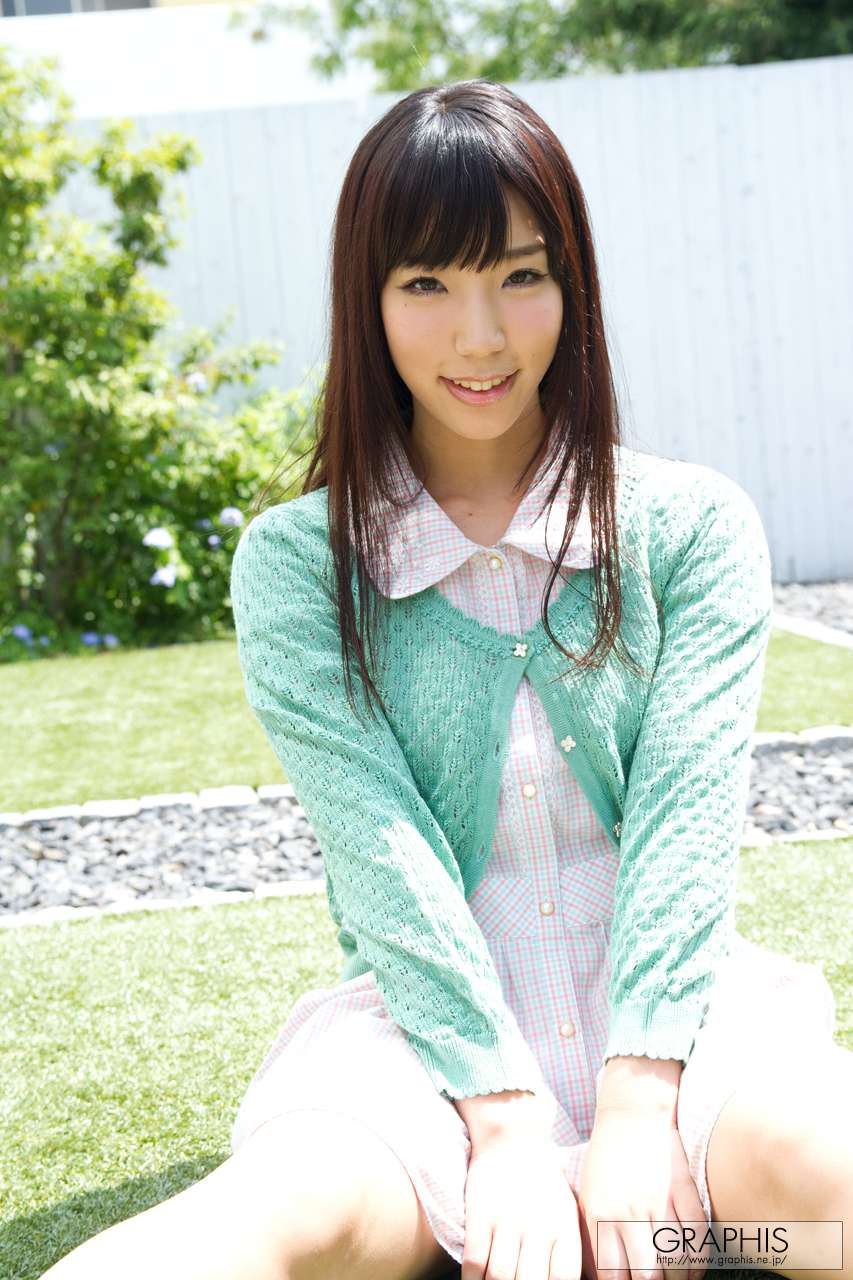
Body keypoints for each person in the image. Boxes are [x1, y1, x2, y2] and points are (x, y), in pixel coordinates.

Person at [41, 78, 852, 1280]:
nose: (480, 336)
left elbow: (685, 827)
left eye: (520, 275)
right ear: (366, 300)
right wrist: (504, 1124)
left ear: (571, 287)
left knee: (825, 1202)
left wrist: (637, 1109)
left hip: (688, 1041)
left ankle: (728, 1233)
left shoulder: (690, 528)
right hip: (415, 1067)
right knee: (257, 1226)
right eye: (426, 283)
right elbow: (384, 858)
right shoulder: (298, 568)